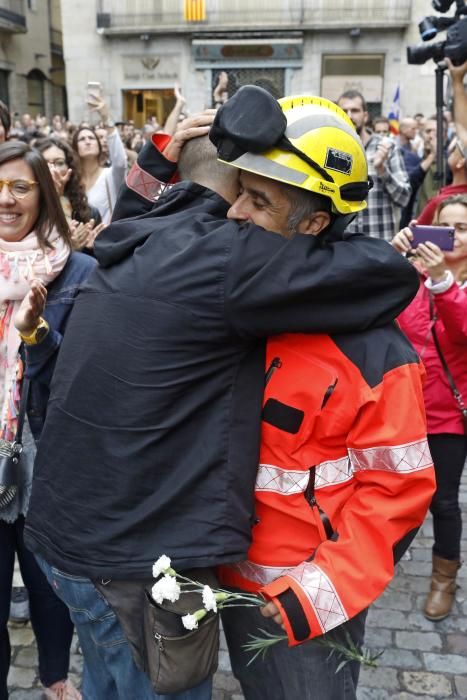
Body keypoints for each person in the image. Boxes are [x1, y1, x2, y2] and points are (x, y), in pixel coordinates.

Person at [24, 89, 419, 699]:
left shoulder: (366, 345)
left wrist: (316, 595)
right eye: (236, 192)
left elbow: (398, 487)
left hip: (293, 603)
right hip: (198, 570)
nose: (233, 215)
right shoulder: (242, 289)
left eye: (257, 201)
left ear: (315, 225)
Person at [0, 141, 95, 700]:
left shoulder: (76, 271)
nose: (6, 200)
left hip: (44, 451)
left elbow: (79, 378)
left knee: (47, 585)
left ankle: (56, 678)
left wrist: (37, 331)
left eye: (19, 187)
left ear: (45, 192)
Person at [392, 194, 467, 621]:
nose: (453, 235)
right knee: (392, 488)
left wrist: (444, 282)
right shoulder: (412, 276)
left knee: (443, 501)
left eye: (462, 228)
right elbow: (369, 301)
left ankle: (443, 577)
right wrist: (392, 257)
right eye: (446, 226)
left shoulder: (450, 281)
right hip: (403, 406)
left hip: (448, 414)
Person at [337, 89, 411, 241]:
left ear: (365, 115)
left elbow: (404, 198)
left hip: (380, 243)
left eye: (355, 110)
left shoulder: (387, 146)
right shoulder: (332, 149)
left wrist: (382, 169)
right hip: (345, 245)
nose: (349, 115)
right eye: (344, 111)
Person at [71, 93, 127, 225]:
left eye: (91, 138)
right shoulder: (72, 181)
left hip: (107, 242)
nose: (88, 141)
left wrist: (106, 117)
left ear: (99, 145)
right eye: (82, 139)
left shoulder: (110, 176)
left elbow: (120, 162)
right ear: (75, 148)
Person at [398, 117, 435, 227]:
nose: (431, 136)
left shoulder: (449, 161)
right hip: (413, 222)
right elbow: (410, 182)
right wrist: (432, 155)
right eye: (428, 131)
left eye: (435, 132)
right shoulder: (411, 156)